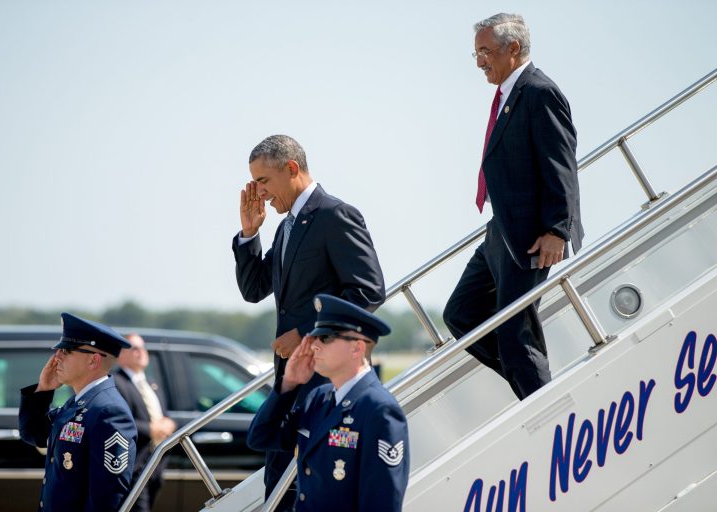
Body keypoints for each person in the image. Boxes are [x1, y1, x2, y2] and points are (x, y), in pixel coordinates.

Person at [233, 134, 386, 506]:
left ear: (291, 169)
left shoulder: (335, 215)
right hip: (292, 383)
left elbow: (368, 291)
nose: (260, 192)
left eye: (264, 181)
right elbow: (254, 289)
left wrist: (306, 333)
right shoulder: (286, 227)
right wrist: (250, 233)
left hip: (327, 384)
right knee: (281, 491)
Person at [443, 13, 584, 400]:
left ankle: (546, 406)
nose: (479, 62)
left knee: (514, 332)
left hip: (532, 236)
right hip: (501, 229)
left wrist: (558, 228)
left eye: (485, 52)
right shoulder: (508, 94)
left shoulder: (539, 92)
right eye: (476, 54)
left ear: (514, 48)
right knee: (460, 314)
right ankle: (533, 387)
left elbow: (561, 163)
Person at [247, 294, 410, 512]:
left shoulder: (379, 409)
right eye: (313, 337)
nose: (314, 346)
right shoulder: (318, 399)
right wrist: (288, 383)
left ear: (357, 348)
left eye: (325, 337)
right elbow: (261, 437)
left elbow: (381, 503)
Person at [18, 313, 137, 512]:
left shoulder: (108, 410)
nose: (58, 356)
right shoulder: (79, 402)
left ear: (93, 361)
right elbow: (34, 434)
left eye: (67, 350)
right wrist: (43, 390)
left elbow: (107, 497)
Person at [114, 333, 177, 512]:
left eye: (143, 347)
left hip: (155, 465)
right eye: (134, 348)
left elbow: (163, 415)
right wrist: (150, 429)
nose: (141, 352)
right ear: (120, 354)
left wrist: (170, 425)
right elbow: (117, 421)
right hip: (134, 467)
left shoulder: (151, 382)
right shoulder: (116, 383)